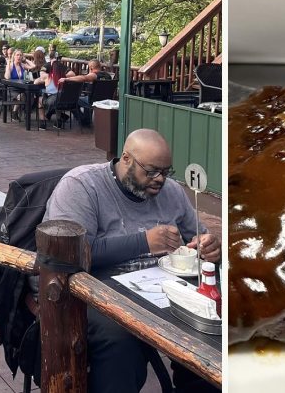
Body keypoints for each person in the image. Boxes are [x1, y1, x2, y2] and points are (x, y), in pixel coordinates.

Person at [43, 129, 219, 393]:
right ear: (125, 158)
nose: (160, 180)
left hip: (162, 290)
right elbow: (69, 254)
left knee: (206, 328)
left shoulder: (171, 191)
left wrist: (208, 246)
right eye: (151, 171)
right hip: (95, 290)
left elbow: (197, 234)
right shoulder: (81, 186)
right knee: (121, 343)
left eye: (166, 171)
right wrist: (143, 241)